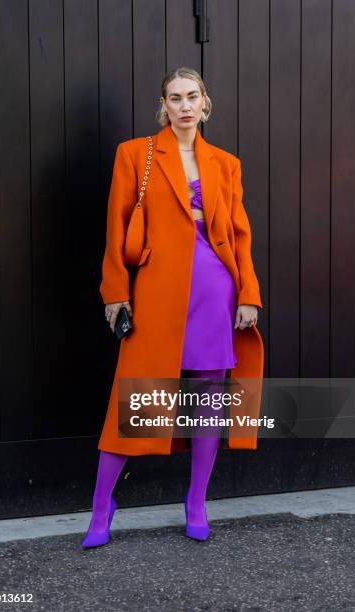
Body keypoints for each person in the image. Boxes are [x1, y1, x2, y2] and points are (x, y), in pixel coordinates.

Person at [81, 66, 264, 549]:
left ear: (206, 103)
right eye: (175, 98)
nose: (184, 106)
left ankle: (196, 501)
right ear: (164, 105)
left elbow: (240, 236)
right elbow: (115, 229)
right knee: (137, 399)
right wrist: (115, 293)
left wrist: (249, 294)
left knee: (206, 399)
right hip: (158, 290)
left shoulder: (226, 163)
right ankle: (102, 507)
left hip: (215, 290)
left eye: (192, 96)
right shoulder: (134, 154)